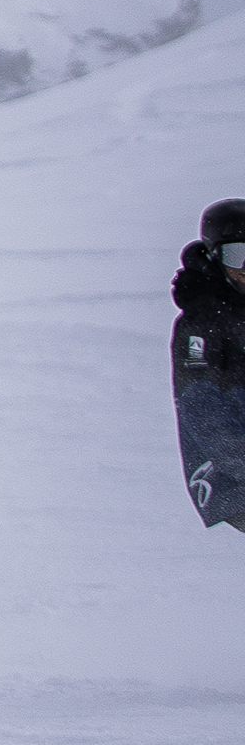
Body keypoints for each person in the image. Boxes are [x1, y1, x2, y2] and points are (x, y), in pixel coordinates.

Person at [172, 198, 245, 531]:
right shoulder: (202, 323)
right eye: (237, 255)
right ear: (215, 257)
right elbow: (202, 407)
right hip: (233, 482)